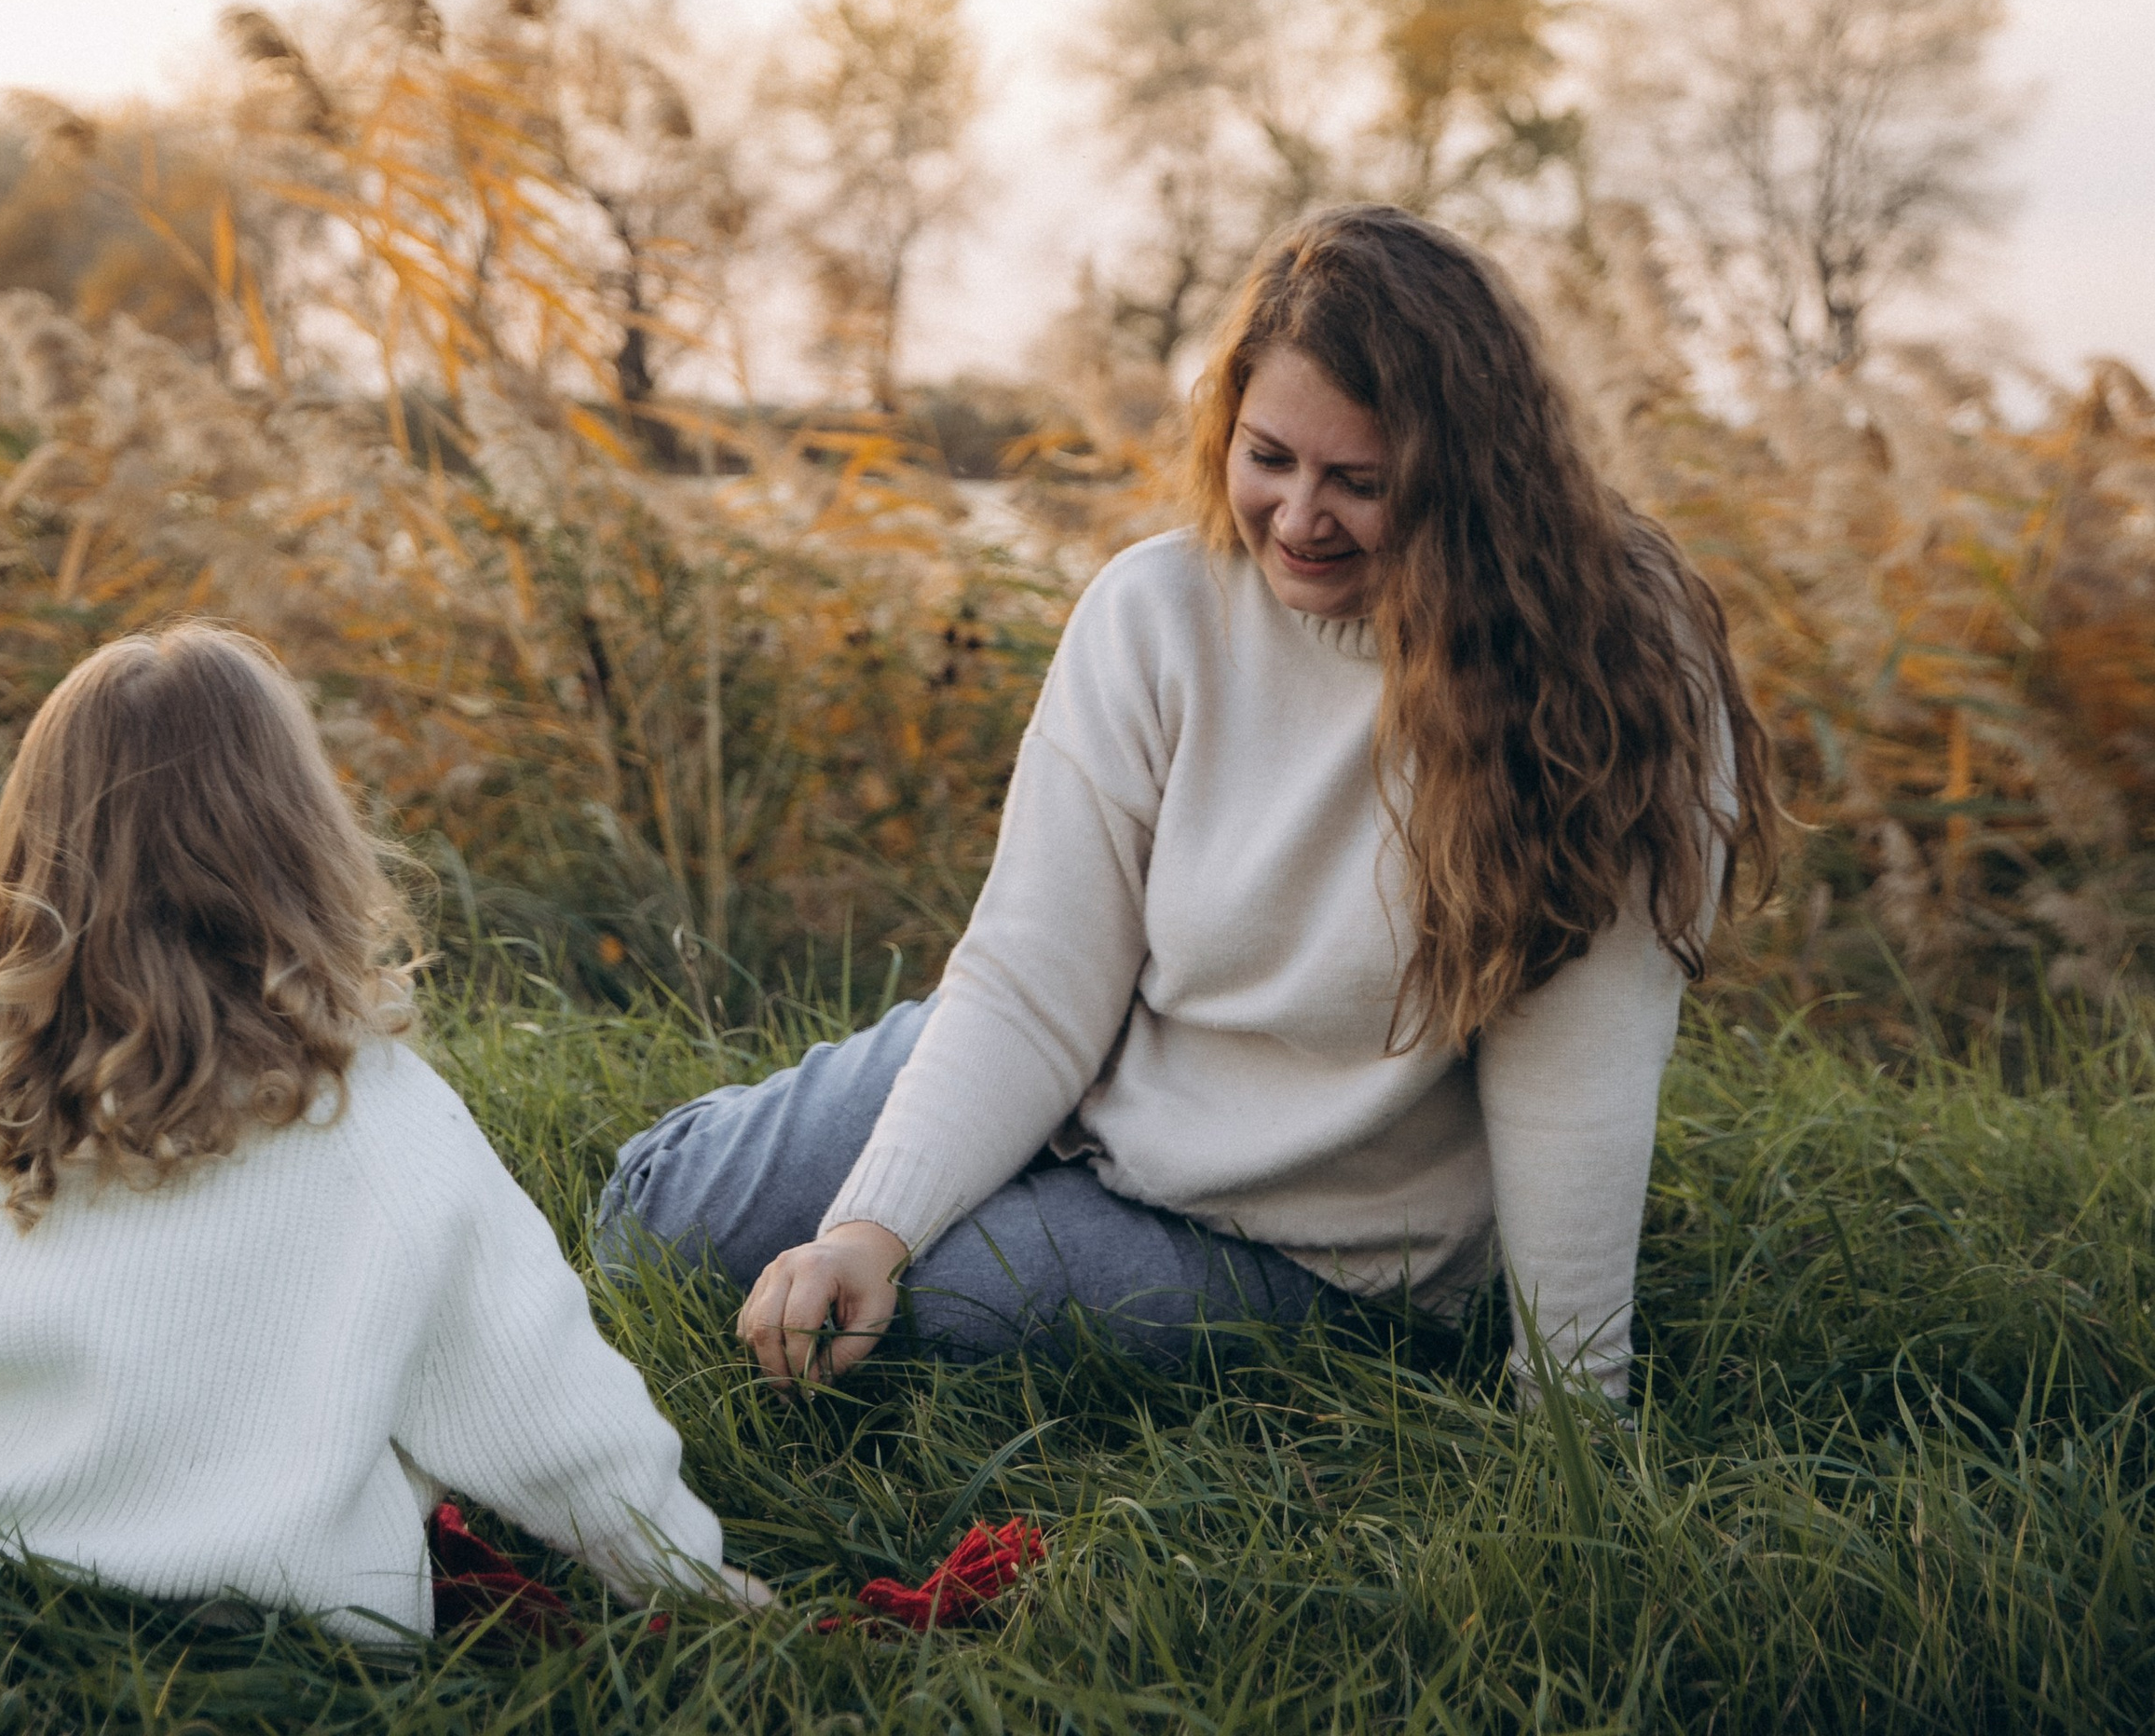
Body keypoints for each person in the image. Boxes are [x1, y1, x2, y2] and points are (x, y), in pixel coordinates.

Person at [598, 205, 1777, 1403]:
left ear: (1472, 484)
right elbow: (1034, 975)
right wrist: (868, 1227)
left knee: (931, 1324)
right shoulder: (1154, 610)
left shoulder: (1607, 671)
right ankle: (978, 1167)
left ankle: (1016, 1207)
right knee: (661, 1224)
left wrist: (1569, 1400)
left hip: (1310, 1241)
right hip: (1096, 1063)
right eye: (1268, 457)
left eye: (1360, 483)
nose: (1300, 519)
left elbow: (1582, 1072)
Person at [0, 622, 769, 1640]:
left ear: (37, 851)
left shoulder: (7, 1080)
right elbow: (543, 1409)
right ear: (303, 839)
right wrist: (687, 1579)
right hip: (263, 1608)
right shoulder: (376, 1123)